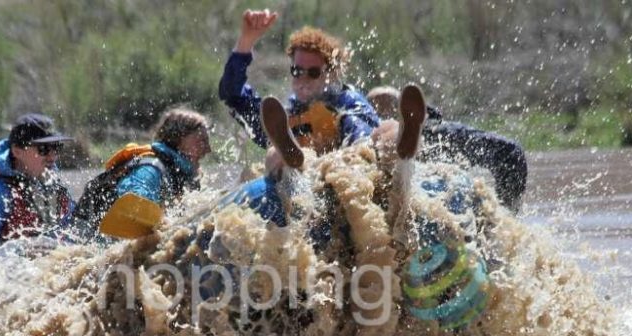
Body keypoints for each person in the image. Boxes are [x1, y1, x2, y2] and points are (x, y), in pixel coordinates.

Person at [218, 10, 379, 156]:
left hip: (344, 172)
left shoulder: (346, 101)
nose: (303, 80)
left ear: (332, 73)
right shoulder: (283, 115)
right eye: (297, 71)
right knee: (273, 158)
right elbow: (232, 94)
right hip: (299, 180)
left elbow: (365, 132)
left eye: (313, 73)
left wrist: (360, 146)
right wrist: (246, 41)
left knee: (385, 130)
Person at [367, 86, 528, 213]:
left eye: (383, 110)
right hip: (510, 155)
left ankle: (501, 228)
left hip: (506, 158)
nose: (381, 115)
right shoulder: (438, 128)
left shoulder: (434, 134)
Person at [0, 113, 75, 270]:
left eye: (56, 147)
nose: (52, 157)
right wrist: (23, 253)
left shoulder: (57, 189)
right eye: (44, 149)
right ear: (17, 151)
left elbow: (75, 237)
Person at [73, 108, 212, 239]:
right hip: (89, 242)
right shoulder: (150, 168)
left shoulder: (179, 175)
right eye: (201, 141)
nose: (208, 149)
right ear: (178, 139)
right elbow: (134, 204)